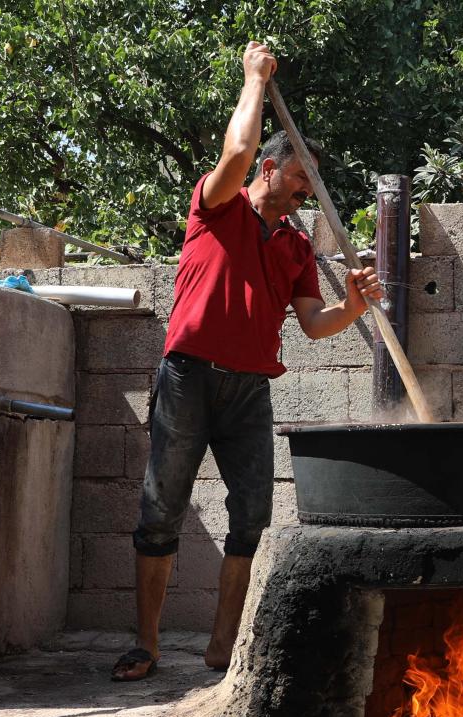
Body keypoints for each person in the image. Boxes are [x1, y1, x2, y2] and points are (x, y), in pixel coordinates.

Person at [111, 41, 384, 681]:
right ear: (269, 169)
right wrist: (252, 79)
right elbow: (235, 150)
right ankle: (146, 644)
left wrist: (352, 307)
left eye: (309, 187)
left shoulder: (294, 245)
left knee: (254, 512)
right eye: (298, 180)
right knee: (161, 510)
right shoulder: (216, 207)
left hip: (249, 391)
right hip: (187, 377)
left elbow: (315, 327)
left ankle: (222, 647)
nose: (302, 194)